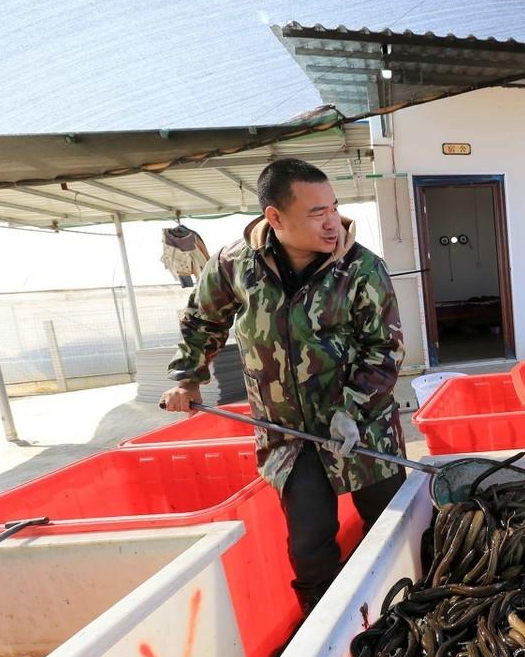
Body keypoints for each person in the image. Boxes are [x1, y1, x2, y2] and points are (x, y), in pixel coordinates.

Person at [161, 157, 404, 614]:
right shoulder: (236, 264)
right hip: (289, 437)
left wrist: (351, 408)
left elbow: (384, 349)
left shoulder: (361, 269)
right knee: (310, 548)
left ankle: (405, 613)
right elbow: (203, 318)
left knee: (394, 528)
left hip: (366, 431)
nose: (332, 221)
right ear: (275, 217)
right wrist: (189, 376)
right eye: (316, 213)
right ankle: (328, 635)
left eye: (333, 207)